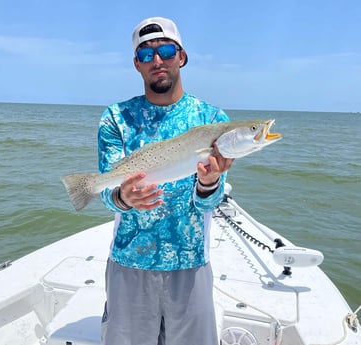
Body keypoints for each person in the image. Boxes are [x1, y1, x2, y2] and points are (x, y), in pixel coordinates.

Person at [98, 17, 234, 345]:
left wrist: (209, 183)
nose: (157, 61)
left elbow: (209, 203)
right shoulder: (115, 118)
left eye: (166, 50)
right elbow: (105, 191)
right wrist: (122, 197)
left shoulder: (214, 121)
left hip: (190, 265)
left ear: (181, 56)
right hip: (129, 263)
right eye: (146, 55)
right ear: (136, 65)